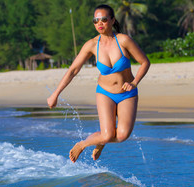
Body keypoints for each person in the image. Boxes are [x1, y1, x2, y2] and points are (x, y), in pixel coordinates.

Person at [47, 4, 150, 163]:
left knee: (122, 135)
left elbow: (145, 62)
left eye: (103, 19)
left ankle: (98, 141)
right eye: (96, 20)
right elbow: (73, 70)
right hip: (105, 92)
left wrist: (135, 82)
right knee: (108, 134)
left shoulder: (123, 40)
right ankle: (84, 144)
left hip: (127, 93)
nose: (99, 23)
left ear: (112, 20)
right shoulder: (92, 45)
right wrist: (55, 94)